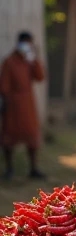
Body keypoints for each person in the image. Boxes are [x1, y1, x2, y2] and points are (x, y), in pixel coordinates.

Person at [0, 31, 46, 180]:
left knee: (32, 136)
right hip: (13, 105)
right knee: (9, 137)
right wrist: (5, 103)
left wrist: (34, 60)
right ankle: (9, 169)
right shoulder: (9, 61)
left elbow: (40, 77)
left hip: (28, 103)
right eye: (26, 42)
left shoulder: (29, 61)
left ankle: (33, 168)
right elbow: (4, 86)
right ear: (19, 42)